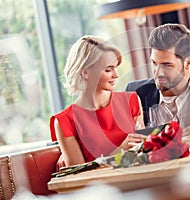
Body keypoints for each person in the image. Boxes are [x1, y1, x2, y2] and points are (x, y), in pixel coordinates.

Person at [49, 35, 145, 167]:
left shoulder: (131, 101)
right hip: (102, 187)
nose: (116, 75)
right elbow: (79, 176)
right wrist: (119, 151)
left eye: (115, 67)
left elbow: (145, 150)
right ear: (85, 73)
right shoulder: (64, 121)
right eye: (108, 69)